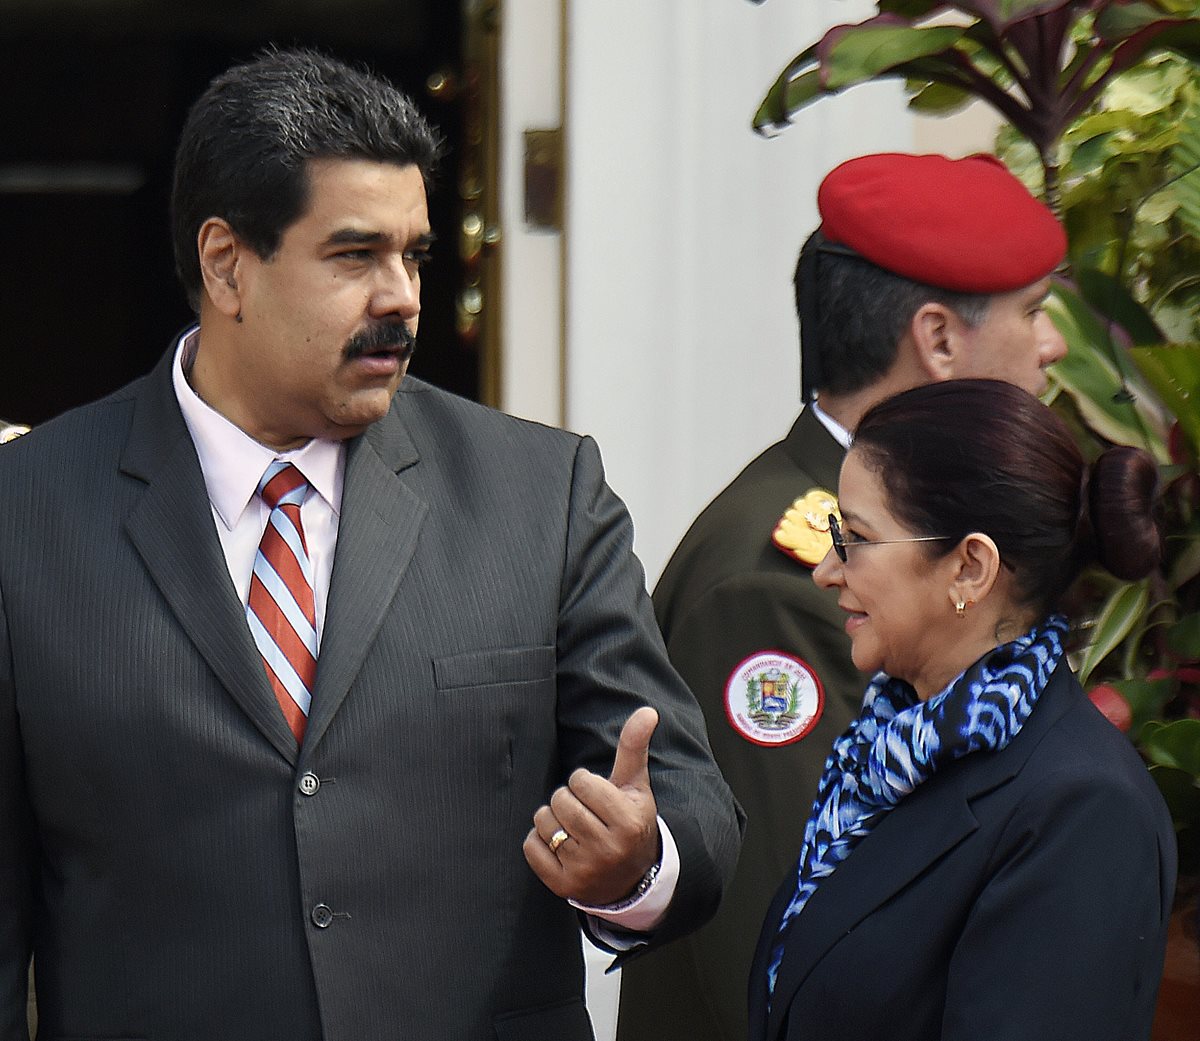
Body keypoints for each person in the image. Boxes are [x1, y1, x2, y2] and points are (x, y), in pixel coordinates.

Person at [0, 49, 743, 1041]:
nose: (402, 298)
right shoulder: (27, 513)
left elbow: (685, 801)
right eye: (355, 256)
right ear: (227, 265)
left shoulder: (540, 494)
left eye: (415, 256)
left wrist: (637, 865)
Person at [617, 151, 1069, 1041]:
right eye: (1032, 311)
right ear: (939, 339)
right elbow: (794, 954)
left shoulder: (913, 545)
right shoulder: (779, 582)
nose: (1051, 345)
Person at [749, 378, 1175, 1040]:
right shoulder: (890, 751)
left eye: (854, 536)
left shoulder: (1083, 807)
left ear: (970, 567)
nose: (826, 570)